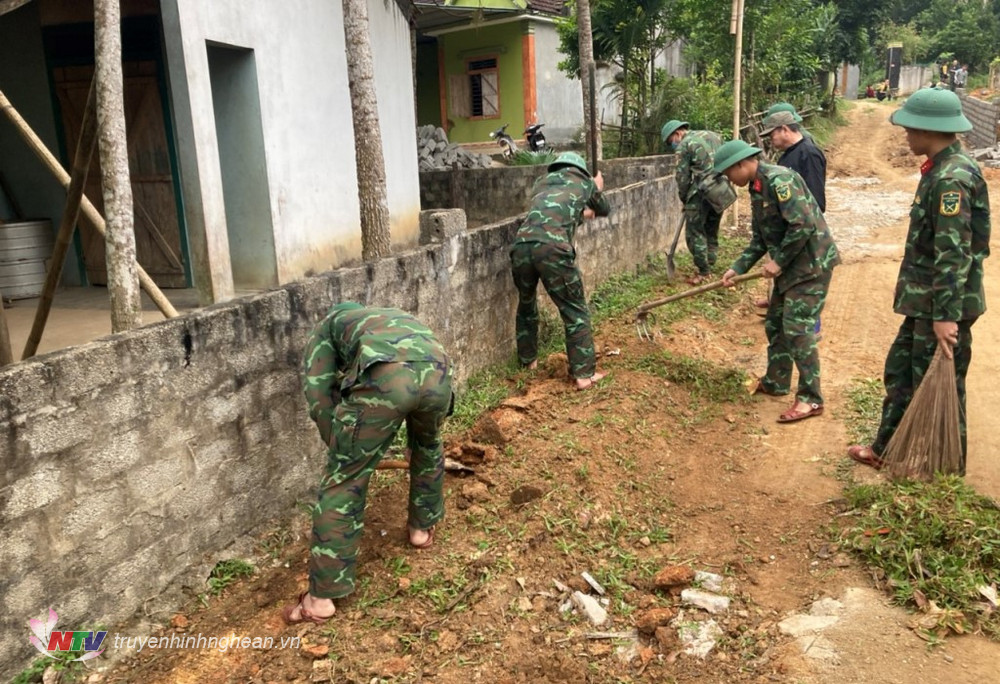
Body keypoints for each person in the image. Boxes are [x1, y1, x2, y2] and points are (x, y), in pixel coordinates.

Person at [282, 303, 454, 623]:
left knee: (345, 481)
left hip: (388, 374)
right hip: (438, 372)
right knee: (427, 447)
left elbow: (320, 396)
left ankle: (319, 600)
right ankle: (420, 529)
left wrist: (344, 451)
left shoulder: (326, 328)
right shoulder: (384, 319)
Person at [848, 89, 990, 474]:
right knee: (901, 373)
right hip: (923, 301)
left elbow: (953, 253)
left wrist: (946, 317)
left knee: (942, 385)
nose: (905, 134)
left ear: (929, 128)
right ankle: (888, 447)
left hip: (940, 306)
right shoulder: (939, 170)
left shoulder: (951, 180)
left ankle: (946, 473)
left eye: (910, 127)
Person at [714, 139, 840, 423]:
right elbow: (760, 239)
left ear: (741, 164)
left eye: (727, 173)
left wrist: (779, 261)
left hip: (811, 265)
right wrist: (737, 268)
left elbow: (803, 224)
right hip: (791, 269)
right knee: (775, 323)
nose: (728, 180)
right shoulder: (757, 189)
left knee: (797, 330)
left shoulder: (780, 180)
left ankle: (811, 399)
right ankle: (777, 381)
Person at [510, 151, 611, 390]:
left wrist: (584, 213)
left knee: (526, 303)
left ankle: (528, 361)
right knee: (575, 310)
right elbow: (604, 208)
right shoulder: (584, 181)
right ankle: (584, 375)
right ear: (580, 170)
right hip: (553, 250)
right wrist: (597, 187)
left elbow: (554, 215)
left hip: (521, 246)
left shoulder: (540, 183)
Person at [661, 119, 724, 285]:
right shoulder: (713, 136)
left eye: (670, 142)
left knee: (694, 234)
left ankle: (704, 272)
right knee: (712, 228)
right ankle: (710, 262)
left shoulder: (684, 146)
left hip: (701, 192)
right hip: (722, 188)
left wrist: (684, 198)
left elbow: (682, 178)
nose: (672, 145)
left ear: (677, 133)